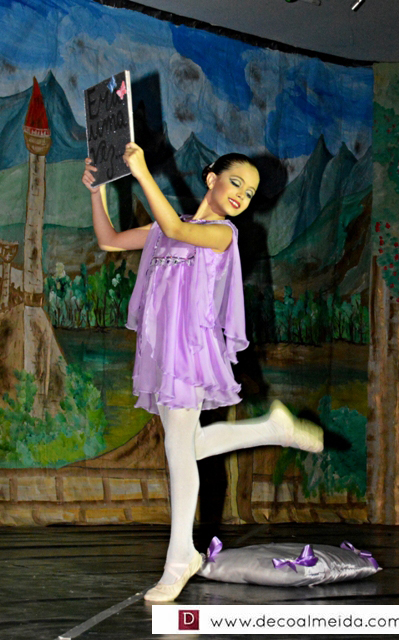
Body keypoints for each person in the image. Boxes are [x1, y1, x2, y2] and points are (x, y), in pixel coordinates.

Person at [82, 142, 323, 602]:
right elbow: (109, 240)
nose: (242, 196)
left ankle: (180, 559)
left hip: (190, 351)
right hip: (162, 351)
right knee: (185, 445)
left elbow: (175, 227)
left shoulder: (222, 235)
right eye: (236, 183)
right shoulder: (166, 227)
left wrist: (141, 171)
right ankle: (272, 429)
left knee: (179, 450)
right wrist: (97, 193)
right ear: (212, 178)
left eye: (250, 193)